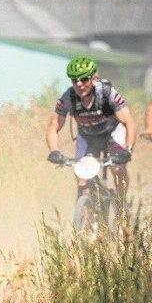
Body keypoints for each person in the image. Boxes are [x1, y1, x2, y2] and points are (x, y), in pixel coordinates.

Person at [46, 55, 136, 205]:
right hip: (88, 138)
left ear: (94, 78)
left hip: (112, 134)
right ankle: (85, 217)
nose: (79, 84)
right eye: (75, 80)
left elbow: (129, 123)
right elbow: (53, 127)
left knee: (118, 169)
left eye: (84, 79)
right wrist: (54, 151)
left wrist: (127, 149)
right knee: (82, 178)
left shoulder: (107, 93)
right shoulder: (68, 97)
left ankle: (122, 206)